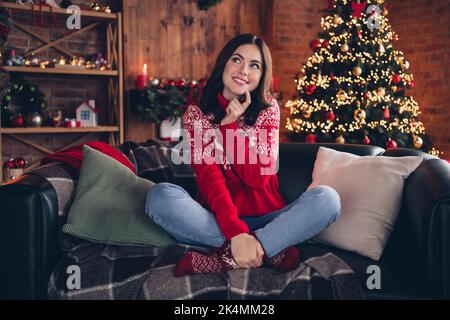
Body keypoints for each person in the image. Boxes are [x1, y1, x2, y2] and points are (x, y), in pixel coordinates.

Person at [145, 33, 341, 277]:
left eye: (254, 65)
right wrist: (236, 233)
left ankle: (227, 258)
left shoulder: (268, 110)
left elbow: (257, 179)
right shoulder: (197, 114)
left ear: (260, 76)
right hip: (219, 221)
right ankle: (267, 250)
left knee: (328, 199)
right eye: (237, 60)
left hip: (271, 220)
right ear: (224, 63)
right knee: (160, 196)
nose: (243, 70)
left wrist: (229, 128)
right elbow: (210, 181)